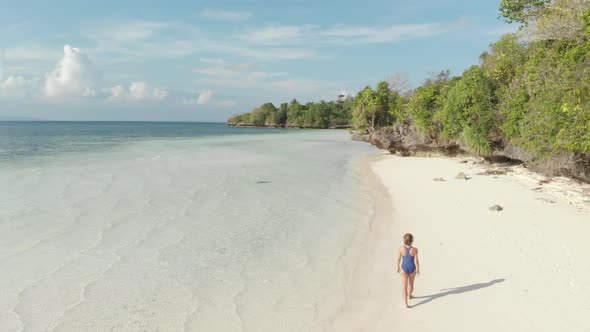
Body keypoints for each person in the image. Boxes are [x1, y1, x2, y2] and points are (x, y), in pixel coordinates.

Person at [397, 233, 420, 308]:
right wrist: (418, 270)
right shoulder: (415, 249)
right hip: (412, 268)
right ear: (412, 240)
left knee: (404, 286)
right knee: (411, 285)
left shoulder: (401, 248)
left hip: (404, 268)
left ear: (404, 240)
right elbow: (416, 261)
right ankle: (409, 296)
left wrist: (397, 267)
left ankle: (406, 304)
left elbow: (399, 259)